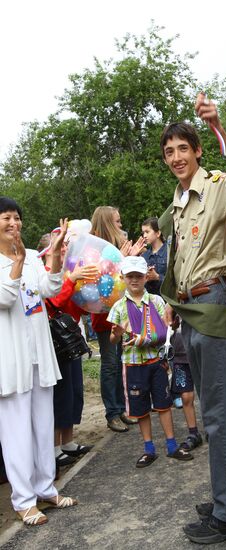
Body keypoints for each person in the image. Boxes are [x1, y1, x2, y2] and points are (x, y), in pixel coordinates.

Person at [160, 94, 226, 544]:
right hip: (192, 310)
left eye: (184, 148)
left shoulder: (216, 183)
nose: (177, 157)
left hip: (215, 304)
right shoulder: (179, 200)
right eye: (169, 151)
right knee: (220, 411)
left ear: (198, 151)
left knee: (218, 415)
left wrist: (220, 126)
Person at [0, 197, 77, 526]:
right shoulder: (16, 260)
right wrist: (16, 264)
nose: (14, 224)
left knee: (43, 425)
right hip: (12, 359)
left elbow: (49, 289)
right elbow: (4, 300)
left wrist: (56, 256)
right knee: (17, 432)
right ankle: (23, 499)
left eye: (17, 218)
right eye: (6, 218)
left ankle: (46, 487)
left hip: (39, 354)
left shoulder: (32, 256)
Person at [107, 255, 193, 467]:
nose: (134, 280)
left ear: (146, 277)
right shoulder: (118, 307)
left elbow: (166, 331)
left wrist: (150, 336)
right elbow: (112, 339)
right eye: (130, 276)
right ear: (123, 278)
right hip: (133, 364)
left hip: (156, 362)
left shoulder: (155, 301)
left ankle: (172, 445)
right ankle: (149, 448)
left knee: (163, 405)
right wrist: (117, 333)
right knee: (141, 409)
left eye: (138, 276)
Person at [37, 232, 96, 468]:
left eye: (65, 250)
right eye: (59, 250)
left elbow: (74, 306)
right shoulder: (44, 275)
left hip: (69, 339)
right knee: (60, 394)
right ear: (46, 254)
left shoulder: (66, 273)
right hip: (55, 341)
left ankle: (68, 442)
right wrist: (71, 280)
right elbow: (54, 302)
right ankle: (54, 447)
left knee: (73, 390)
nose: (65, 253)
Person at [90, 206, 143, 432]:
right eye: (118, 222)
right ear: (107, 223)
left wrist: (129, 259)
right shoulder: (93, 250)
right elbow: (103, 279)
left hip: (119, 313)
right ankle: (112, 412)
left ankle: (121, 409)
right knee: (110, 364)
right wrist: (123, 258)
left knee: (120, 362)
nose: (121, 226)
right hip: (104, 315)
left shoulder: (114, 249)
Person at [142, 217, 168, 296]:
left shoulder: (170, 252)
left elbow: (176, 281)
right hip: (149, 303)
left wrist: (157, 277)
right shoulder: (144, 256)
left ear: (158, 233)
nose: (144, 236)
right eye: (143, 233)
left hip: (167, 302)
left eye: (147, 232)